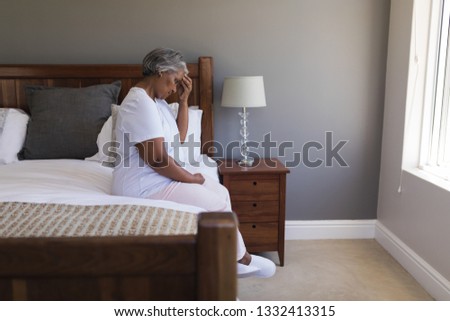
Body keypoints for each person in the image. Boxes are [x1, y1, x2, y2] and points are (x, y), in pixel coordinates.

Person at [112, 48, 275, 278]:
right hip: (143, 185)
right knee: (216, 206)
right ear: (160, 72)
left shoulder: (155, 100)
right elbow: (157, 158)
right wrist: (191, 178)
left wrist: (183, 100)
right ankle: (241, 260)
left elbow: (177, 138)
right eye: (174, 81)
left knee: (221, 192)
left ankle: (232, 256)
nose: (173, 88)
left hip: (156, 176)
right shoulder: (139, 103)